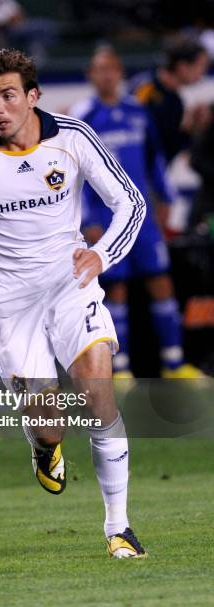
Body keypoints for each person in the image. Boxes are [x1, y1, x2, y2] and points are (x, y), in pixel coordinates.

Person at [0, 48, 147, 558]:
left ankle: (120, 526)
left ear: (32, 96)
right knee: (48, 421)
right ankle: (46, 448)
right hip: (4, 300)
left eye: (7, 96)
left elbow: (129, 202)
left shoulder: (73, 138)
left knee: (98, 392)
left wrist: (100, 255)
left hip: (68, 283)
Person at [69, 47, 206, 379]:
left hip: (142, 214)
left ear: (120, 74)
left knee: (160, 280)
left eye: (112, 68)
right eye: (100, 69)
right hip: (105, 216)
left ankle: (174, 363)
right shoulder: (83, 116)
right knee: (116, 288)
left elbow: (154, 158)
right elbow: (74, 173)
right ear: (91, 75)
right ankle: (120, 366)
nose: (107, 75)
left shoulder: (137, 110)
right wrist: (87, 219)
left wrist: (165, 196)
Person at [132, 36, 209, 163]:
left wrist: (188, 128)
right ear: (183, 67)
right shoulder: (145, 89)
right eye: (200, 66)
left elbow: (166, 152)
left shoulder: (176, 102)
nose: (202, 72)